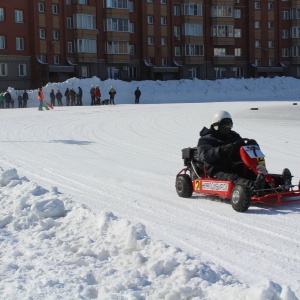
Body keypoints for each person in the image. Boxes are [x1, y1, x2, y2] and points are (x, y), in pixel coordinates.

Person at [197, 110, 265, 190]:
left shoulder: (234, 136)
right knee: (233, 178)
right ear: (216, 126)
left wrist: (251, 145)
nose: (227, 129)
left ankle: (277, 183)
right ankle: (253, 187)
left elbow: (243, 148)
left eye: (229, 126)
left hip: (235, 166)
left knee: (252, 174)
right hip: (217, 170)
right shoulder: (205, 140)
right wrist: (222, 149)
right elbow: (206, 155)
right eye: (225, 126)